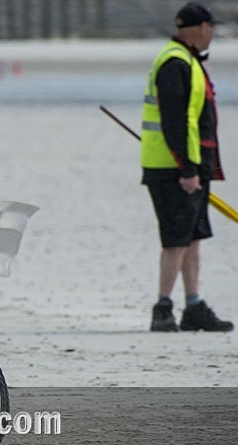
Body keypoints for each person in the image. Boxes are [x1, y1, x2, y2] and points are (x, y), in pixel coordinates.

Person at [141, 2, 233, 332]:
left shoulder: (188, 60)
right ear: (198, 28)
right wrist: (188, 170)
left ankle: (193, 305)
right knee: (175, 240)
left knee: (193, 238)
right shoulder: (175, 63)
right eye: (210, 28)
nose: (212, 35)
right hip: (173, 169)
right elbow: (175, 122)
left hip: (191, 166)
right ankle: (162, 307)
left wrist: (198, 167)